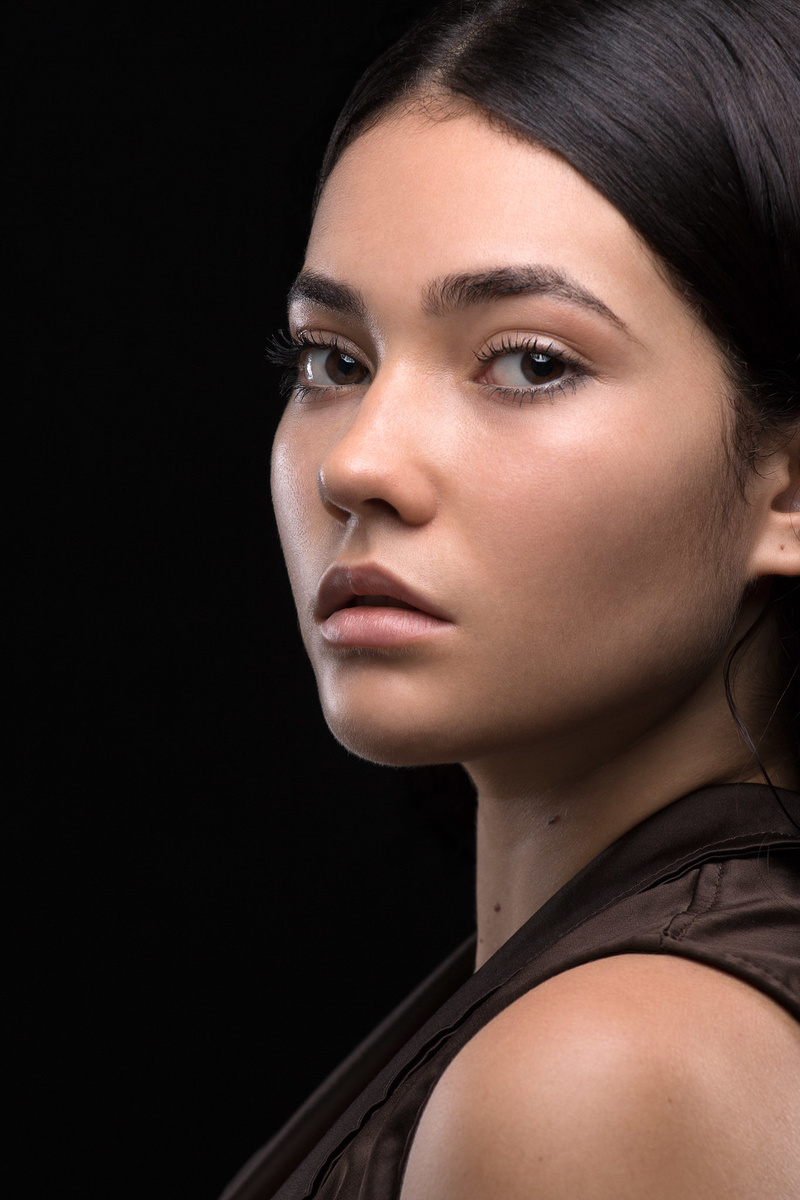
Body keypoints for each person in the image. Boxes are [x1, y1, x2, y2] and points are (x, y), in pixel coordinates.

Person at [221, 0, 800, 1195]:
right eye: (333, 359)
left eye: (529, 362)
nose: (357, 461)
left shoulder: (606, 1068)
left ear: (785, 486)